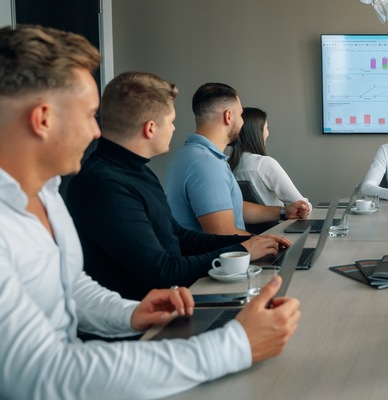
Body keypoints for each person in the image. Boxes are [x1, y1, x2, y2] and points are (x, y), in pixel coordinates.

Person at [0, 24, 300, 399]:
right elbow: (41, 374)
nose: (97, 131)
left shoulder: (48, 192)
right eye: (90, 114)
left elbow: (69, 284)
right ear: (43, 118)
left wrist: (126, 313)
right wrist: (235, 345)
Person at [66, 72, 291, 301]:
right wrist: (243, 251)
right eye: (171, 122)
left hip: (170, 301)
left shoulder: (138, 171)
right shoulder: (106, 185)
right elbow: (163, 271)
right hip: (145, 319)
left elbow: (178, 236)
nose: (174, 129)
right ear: (150, 128)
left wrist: (245, 242)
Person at [164, 83, 310, 235]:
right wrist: (268, 241)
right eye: (240, 115)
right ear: (228, 117)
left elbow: (232, 207)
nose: (242, 122)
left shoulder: (189, 155)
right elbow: (222, 234)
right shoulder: (207, 164)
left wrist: (283, 212)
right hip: (220, 257)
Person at [229, 107, 311, 210]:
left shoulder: (226, 164)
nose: (268, 133)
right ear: (257, 132)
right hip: (275, 224)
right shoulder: (264, 164)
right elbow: (301, 204)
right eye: (267, 128)